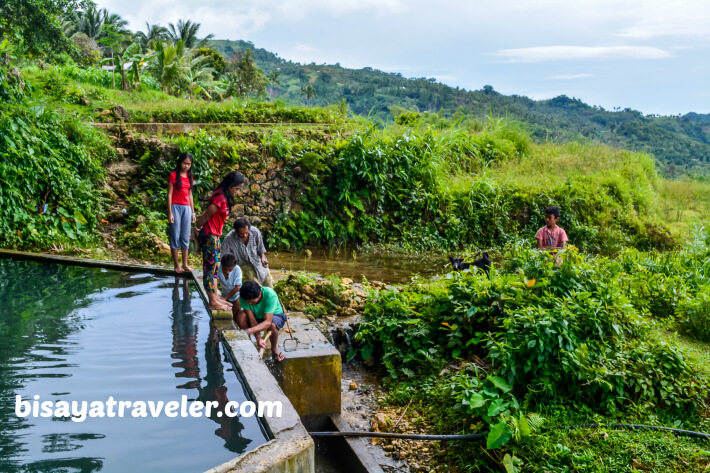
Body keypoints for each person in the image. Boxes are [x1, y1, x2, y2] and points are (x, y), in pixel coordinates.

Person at [194, 171, 245, 310]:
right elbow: (206, 215)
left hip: (215, 236)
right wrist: (196, 229)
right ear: (230, 185)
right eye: (237, 188)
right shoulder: (219, 198)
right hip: (210, 235)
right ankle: (212, 302)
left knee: (215, 268)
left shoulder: (224, 196)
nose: (237, 192)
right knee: (210, 269)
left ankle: (215, 297)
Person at [237, 281, 287, 362]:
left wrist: (248, 331)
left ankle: (274, 348)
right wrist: (259, 339)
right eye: (248, 302)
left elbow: (268, 322)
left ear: (260, 294)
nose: (249, 303)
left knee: (272, 325)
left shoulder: (270, 295)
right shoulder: (243, 298)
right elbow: (252, 319)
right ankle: (247, 343)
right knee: (241, 315)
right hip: (257, 316)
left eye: (252, 302)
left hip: (274, 315)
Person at [222, 218, 273, 288]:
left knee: (269, 283)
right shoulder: (229, 239)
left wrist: (262, 259)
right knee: (256, 285)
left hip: (258, 261)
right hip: (244, 263)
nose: (245, 235)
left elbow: (261, 248)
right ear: (236, 231)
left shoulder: (255, 232)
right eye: (242, 233)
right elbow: (224, 257)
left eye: (246, 232)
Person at [168, 152, 196, 273]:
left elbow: (190, 195)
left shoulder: (190, 177)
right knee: (175, 235)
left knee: (185, 236)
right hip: (175, 207)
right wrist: (170, 212)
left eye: (189, 164)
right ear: (180, 163)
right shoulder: (173, 176)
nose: (186, 166)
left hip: (187, 208)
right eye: (184, 163)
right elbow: (169, 194)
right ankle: (176, 265)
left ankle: (185, 264)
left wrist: (193, 213)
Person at [217, 253, 243, 319]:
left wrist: (224, 298)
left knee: (236, 316)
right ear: (221, 265)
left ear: (234, 266)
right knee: (225, 317)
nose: (227, 272)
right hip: (224, 293)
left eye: (230, 270)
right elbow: (213, 277)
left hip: (236, 296)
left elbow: (237, 287)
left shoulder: (237, 270)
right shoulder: (218, 266)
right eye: (225, 269)